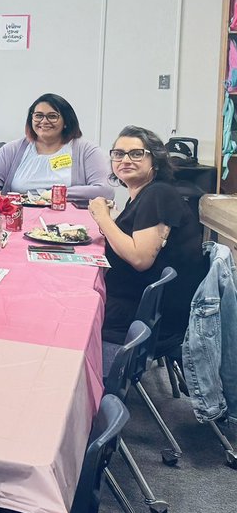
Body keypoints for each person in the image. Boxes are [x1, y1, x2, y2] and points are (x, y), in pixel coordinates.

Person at [88, 126, 206, 373]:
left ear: (155, 159)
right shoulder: (144, 194)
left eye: (136, 153)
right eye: (118, 154)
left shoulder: (158, 194)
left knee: (71, 309)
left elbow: (140, 258)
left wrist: (103, 218)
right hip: (141, 303)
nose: (125, 160)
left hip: (145, 314)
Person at [0, 93, 111, 201]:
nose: (44, 121)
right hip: (19, 219)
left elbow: (105, 191)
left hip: (69, 225)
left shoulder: (87, 151)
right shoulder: (12, 149)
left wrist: (53, 194)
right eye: (38, 116)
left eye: (52, 116)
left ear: (66, 121)